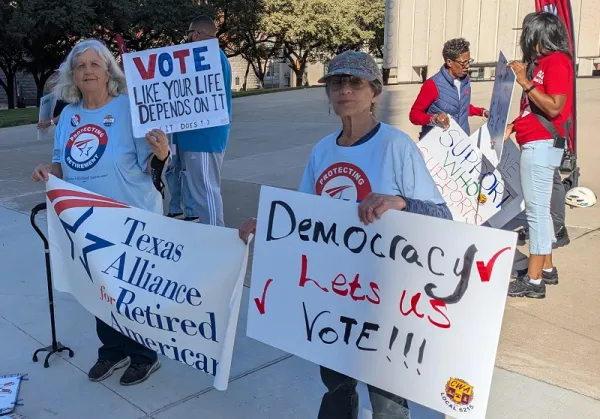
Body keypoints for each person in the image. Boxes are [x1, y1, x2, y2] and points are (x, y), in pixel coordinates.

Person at [239, 50, 450, 419]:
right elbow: (301, 219)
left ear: (375, 92)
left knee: (387, 399)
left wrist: (399, 201)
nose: (345, 90)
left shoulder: (395, 146)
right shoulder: (322, 151)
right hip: (331, 295)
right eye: (337, 82)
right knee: (336, 383)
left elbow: (441, 216)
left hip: (383, 298)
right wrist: (266, 225)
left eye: (355, 82)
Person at [31, 39, 168, 385]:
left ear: (108, 70)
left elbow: (152, 162)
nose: (88, 70)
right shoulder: (70, 117)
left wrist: (162, 152)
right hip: (87, 222)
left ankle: (143, 355)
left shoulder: (130, 109)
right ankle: (113, 351)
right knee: (99, 289)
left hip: (130, 216)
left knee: (132, 291)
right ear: (73, 75)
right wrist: (49, 171)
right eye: (81, 66)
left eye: (95, 64)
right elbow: (63, 162)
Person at [505, 12, 574, 298]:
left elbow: (555, 107)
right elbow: (532, 109)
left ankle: (533, 281)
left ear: (538, 35)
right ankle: (546, 269)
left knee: (535, 214)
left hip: (542, 144)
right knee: (541, 210)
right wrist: (513, 125)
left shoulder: (556, 61)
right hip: (536, 142)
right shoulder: (542, 64)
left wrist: (524, 81)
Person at [172, 15, 232, 227]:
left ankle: (217, 233)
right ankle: (213, 231)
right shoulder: (208, 55)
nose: (187, 38)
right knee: (200, 191)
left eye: (189, 34)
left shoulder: (210, 55)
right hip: (196, 136)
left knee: (206, 190)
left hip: (204, 137)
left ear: (196, 34)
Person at [409, 38, 489, 139]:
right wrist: (434, 118)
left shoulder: (465, 81)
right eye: (463, 63)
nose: (467, 66)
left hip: (462, 143)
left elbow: (460, 108)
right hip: (438, 145)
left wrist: (482, 112)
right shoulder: (432, 85)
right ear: (449, 62)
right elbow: (414, 115)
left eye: (469, 61)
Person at [165, 142, 198, 221]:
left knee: (187, 169)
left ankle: (192, 211)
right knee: (171, 167)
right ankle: (176, 209)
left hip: (187, 136)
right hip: (171, 136)